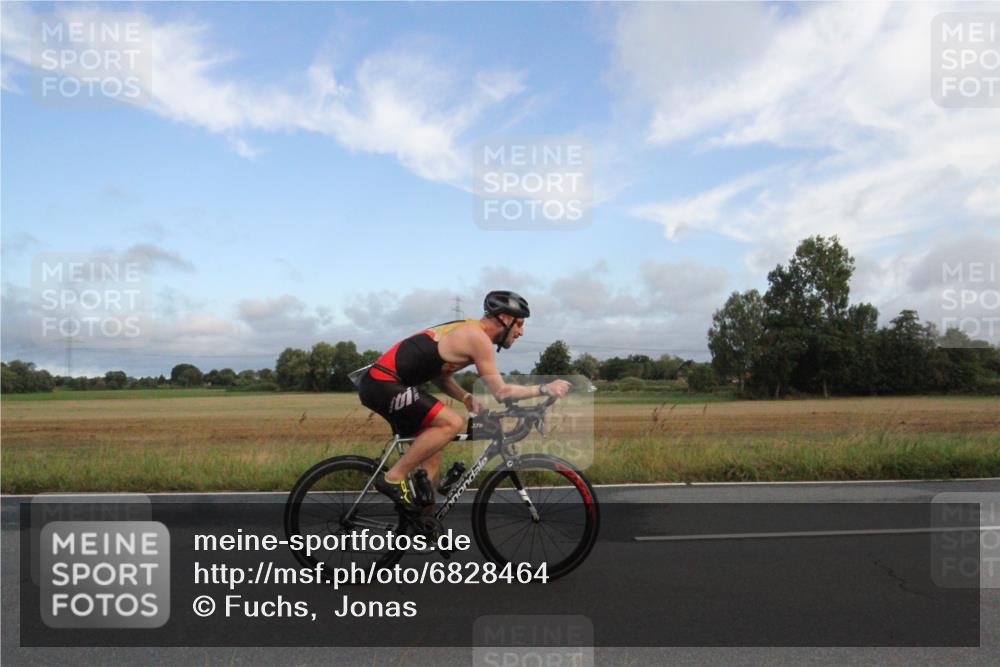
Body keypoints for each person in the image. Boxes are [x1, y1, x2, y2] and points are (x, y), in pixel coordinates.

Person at [357, 290, 571, 511]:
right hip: (383, 383)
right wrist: (545, 388)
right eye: (519, 324)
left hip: (385, 384)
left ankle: (423, 526)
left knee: (431, 455)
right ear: (505, 319)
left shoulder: (468, 329)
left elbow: (440, 375)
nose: (521, 332)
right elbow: (501, 392)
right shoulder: (477, 338)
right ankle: (393, 478)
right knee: (452, 422)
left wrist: (466, 397)